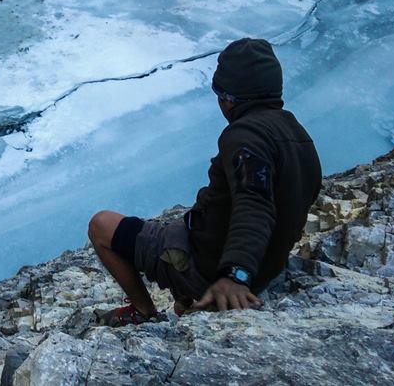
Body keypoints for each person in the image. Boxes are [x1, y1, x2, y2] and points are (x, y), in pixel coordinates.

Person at [87, 38, 322, 325]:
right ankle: (188, 299)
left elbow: (254, 202)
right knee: (175, 226)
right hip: (263, 268)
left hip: (212, 272)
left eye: (220, 94)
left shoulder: (245, 136)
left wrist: (235, 274)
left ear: (229, 98)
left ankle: (145, 312)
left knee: (102, 225)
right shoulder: (299, 135)